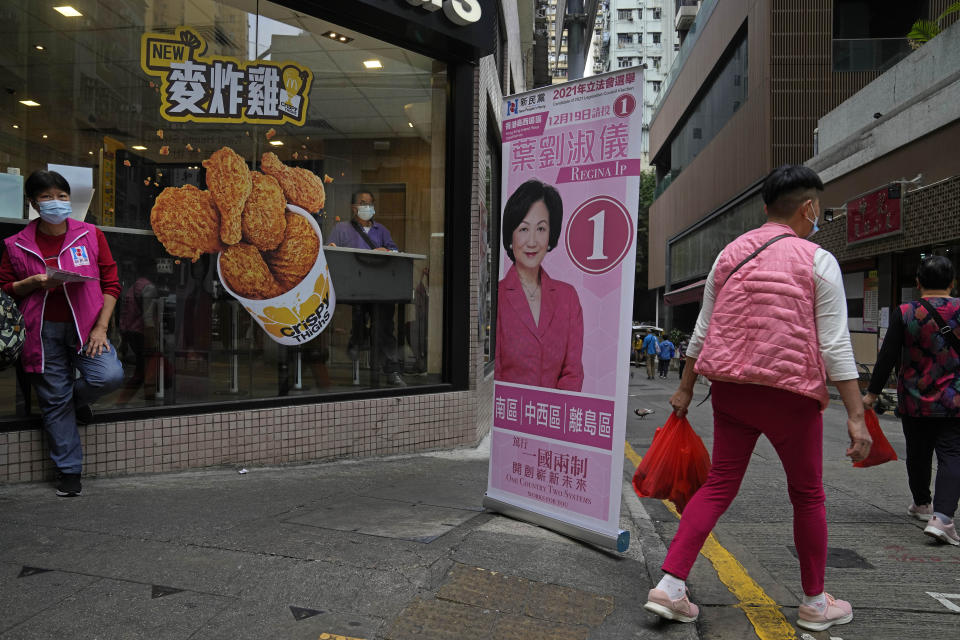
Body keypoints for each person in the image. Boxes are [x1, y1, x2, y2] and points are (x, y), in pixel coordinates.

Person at [644, 165, 871, 632]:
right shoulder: (818, 260)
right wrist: (856, 413)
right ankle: (813, 602)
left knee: (720, 483)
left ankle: (670, 584)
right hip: (790, 395)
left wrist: (686, 387)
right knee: (807, 495)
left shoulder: (730, 253)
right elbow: (834, 343)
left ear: (766, 207)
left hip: (731, 389)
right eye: (819, 210)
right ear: (808, 208)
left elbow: (702, 330)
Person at [0, 170, 124, 497]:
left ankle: (72, 401)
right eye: (47, 197)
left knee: (107, 376)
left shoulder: (90, 234)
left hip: (86, 327)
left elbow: (111, 284)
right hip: (40, 332)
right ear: (33, 203)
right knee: (53, 401)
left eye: (62, 196)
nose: (56, 203)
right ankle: (68, 470)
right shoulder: (15, 244)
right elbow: (5, 290)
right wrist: (33, 283)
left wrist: (101, 327)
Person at [864, 255, 960, 546]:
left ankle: (922, 504)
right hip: (955, 400)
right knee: (952, 455)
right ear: (953, 282)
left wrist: (872, 393)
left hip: (915, 399)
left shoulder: (905, 312)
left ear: (918, 283)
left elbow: (888, 356)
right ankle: (942, 518)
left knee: (918, 453)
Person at [495, 179, 583, 391]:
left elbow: (573, 371)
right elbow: (494, 370)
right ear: (511, 236)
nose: (532, 241)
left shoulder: (567, 297)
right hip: (508, 417)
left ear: (550, 235)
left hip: (552, 417)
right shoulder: (496, 295)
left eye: (541, 228)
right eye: (524, 229)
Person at [326, 190, 405, 386]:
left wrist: (386, 250)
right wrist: (334, 249)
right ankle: (357, 339)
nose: (367, 207)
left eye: (370, 203)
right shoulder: (341, 229)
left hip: (378, 288)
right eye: (363, 203)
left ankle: (391, 370)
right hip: (351, 288)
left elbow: (394, 250)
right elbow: (330, 252)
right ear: (354, 208)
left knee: (385, 324)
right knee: (359, 313)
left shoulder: (382, 230)